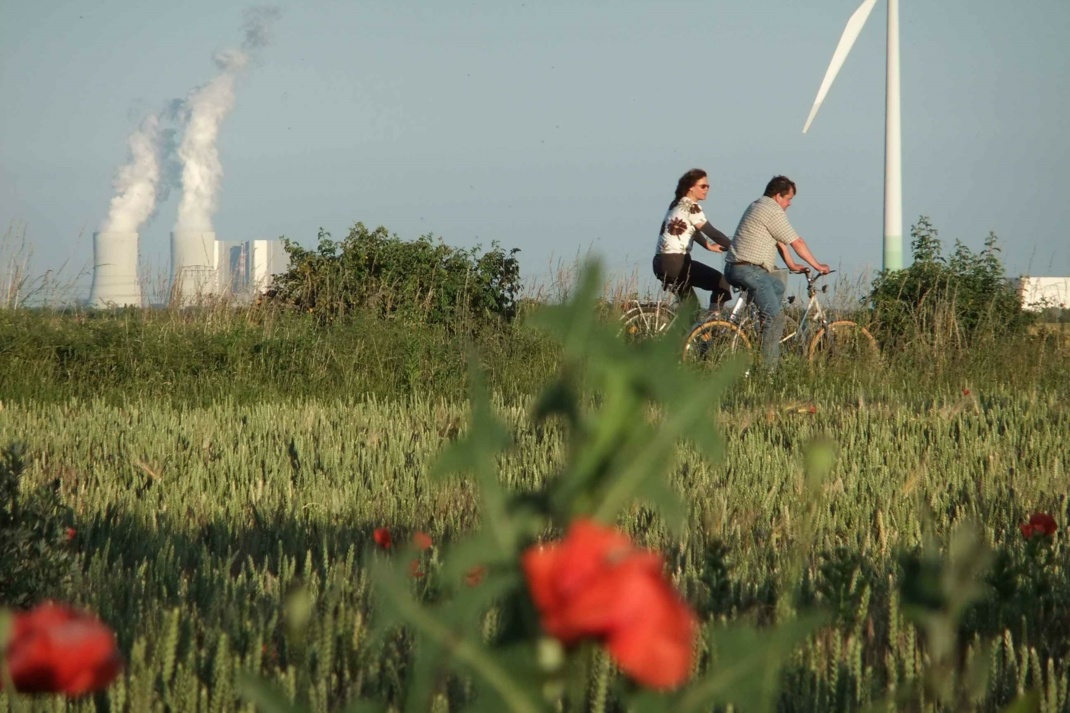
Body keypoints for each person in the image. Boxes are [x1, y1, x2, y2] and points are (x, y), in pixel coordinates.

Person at [724, 175, 830, 369]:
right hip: (750, 270)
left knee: (777, 285)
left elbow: (780, 241)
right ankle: (769, 372)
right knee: (776, 318)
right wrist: (817, 265)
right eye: (788, 199)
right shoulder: (772, 210)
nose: (789, 204)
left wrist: (791, 264)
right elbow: (796, 242)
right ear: (777, 196)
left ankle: (761, 326)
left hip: (736, 268)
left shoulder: (758, 205)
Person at [653, 169, 734, 313]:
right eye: (703, 186)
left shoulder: (677, 203)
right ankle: (713, 325)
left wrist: (708, 246)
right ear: (691, 187)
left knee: (692, 311)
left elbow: (691, 230)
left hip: (661, 262)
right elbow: (712, 233)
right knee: (721, 282)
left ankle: (688, 333)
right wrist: (737, 248)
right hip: (676, 263)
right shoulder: (692, 207)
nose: (707, 189)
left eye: (708, 186)